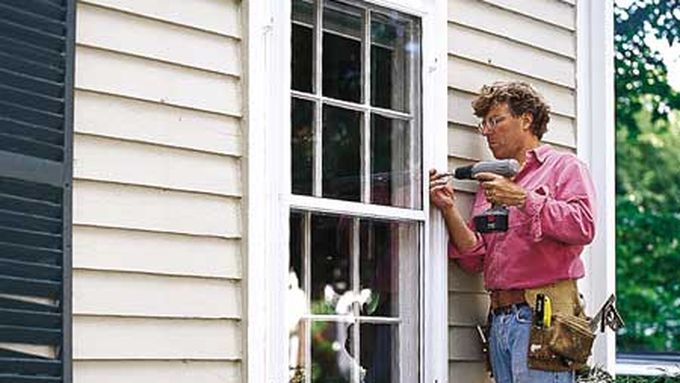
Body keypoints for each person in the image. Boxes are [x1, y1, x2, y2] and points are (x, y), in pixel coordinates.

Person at [429, 81, 596, 383]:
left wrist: (522, 198)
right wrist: (448, 209)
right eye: (483, 124)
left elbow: (584, 225)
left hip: (542, 318)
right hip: (500, 321)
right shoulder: (490, 182)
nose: (487, 131)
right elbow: (474, 260)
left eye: (495, 121)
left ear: (526, 119)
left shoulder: (564, 167)